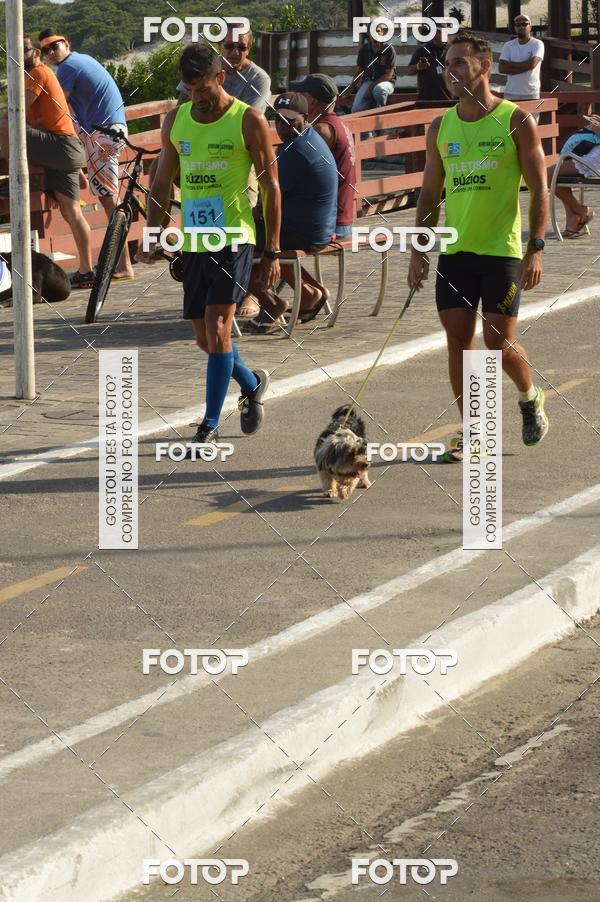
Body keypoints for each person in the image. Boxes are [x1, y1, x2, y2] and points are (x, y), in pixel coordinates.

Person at [408, 31, 550, 459]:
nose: (449, 72)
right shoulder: (440, 127)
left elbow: (540, 190)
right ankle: (474, 430)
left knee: (498, 342)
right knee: (458, 342)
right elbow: (430, 195)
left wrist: (536, 246)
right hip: (456, 252)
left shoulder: (515, 121)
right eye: (447, 64)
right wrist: (419, 250)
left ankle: (529, 397)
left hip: (502, 252)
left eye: (459, 63)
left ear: (485, 67)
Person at [137, 43, 281, 448]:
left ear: (221, 78)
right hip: (195, 239)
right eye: (188, 88)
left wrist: (271, 250)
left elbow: (271, 186)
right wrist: (152, 231)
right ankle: (252, 384)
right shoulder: (177, 119)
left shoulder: (248, 120)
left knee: (219, 327)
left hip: (235, 235)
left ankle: (210, 426)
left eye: (201, 88)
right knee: (206, 339)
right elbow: (163, 182)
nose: (195, 97)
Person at [38, 29, 133, 283]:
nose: (50, 52)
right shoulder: (82, 59)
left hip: (104, 134)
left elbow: (55, 106)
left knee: (110, 202)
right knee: (109, 199)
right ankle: (122, 263)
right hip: (109, 131)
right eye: (45, 50)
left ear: (66, 43)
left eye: (54, 46)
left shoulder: (68, 68)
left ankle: (124, 265)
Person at [0, 37, 93, 285]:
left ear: (36, 53)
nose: (20, 54)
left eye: (25, 50)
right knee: (72, 212)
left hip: (60, 147)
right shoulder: (37, 75)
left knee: (6, 124)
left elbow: (16, 113)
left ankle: (10, 180)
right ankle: (87, 271)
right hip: (65, 150)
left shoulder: (38, 72)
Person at [249, 93, 338, 333]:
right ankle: (311, 293)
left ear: (306, 117)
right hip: (318, 226)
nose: (282, 125)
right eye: (277, 119)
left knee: (234, 240)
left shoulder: (295, 150)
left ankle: (272, 304)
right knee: (260, 235)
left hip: (304, 231)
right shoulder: (309, 139)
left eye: (289, 120)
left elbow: (269, 199)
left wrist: (248, 213)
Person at [286, 72, 356, 316]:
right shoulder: (340, 124)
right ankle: (303, 292)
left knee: (267, 241)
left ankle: (306, 292)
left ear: (313, 101)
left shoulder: (322, 131)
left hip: (333, 222)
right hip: (343, 215)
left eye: (302, 94)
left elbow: (304, 174)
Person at [176, 26, 270, 112]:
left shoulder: (258, 79)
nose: (235, 52)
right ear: (220, 44)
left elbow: (249, 119)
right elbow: (181, 107)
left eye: (242, 47)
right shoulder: (203, 65)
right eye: (229, 46)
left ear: (248, 49)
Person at [548, 113, 600, 237]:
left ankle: (579, 210)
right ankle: (574, 221)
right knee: (557, 175)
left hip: (594, 160)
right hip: (593, 155)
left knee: (548, 174)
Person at [499, 14, 545, 103]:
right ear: (515, 28)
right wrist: (525, 67)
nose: (521, 27)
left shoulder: (537, 44)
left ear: (530, 27)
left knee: (531, 117)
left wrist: (510, 64)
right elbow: (502, 68)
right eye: (518, 25)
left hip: (530, 92)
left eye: (524, 24)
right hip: (511, 92)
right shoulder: (508, 45)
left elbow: (532, 64)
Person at [351, 23, 396, 113]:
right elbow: (360, 71)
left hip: (386, 82)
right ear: (368, 34)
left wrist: (371, 87)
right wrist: (350, 89)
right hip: (368, 81)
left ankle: (381, 116)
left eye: (378, 31)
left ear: (382, 33)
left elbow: (389, 75)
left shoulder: (389, 49)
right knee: (356, 109)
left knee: (379, 90)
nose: (375, 34)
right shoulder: (364, 49)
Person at [407, 28, 451, 105]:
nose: (435, 35)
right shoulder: (422, 49)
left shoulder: (451, 49)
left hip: (448, 98)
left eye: (439, 32)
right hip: (426, 98)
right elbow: (409, 70)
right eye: (434, 32)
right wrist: (418, 66)